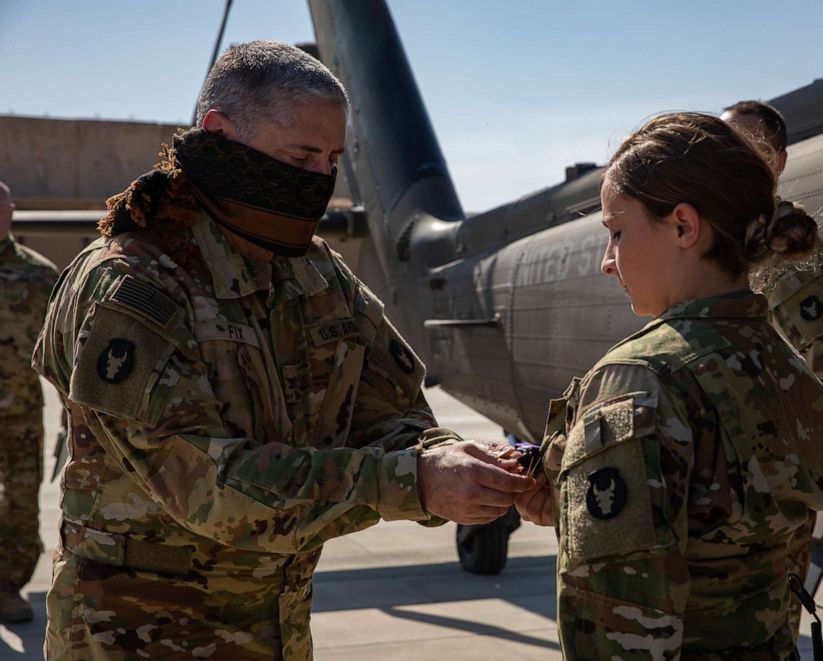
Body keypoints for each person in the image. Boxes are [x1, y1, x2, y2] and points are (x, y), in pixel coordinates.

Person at [33, 41, 533, 660]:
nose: (319, 179)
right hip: (135, 636)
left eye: (331, 160)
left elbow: (389, 413)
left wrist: (459, 464)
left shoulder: (315, 272)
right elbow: (209, 488)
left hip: (277, 627)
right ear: (220, 133)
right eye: (300, 156)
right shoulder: (134, 284)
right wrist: (413, 483)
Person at [516, 112, 823, 660]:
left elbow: (620, 626)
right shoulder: (784, 364)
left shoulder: (640, 378)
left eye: (617, 232)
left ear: (684, 227)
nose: (607, 261)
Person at [722, 100, 823, 640]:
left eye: (749, 147)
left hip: (767, 492)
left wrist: (773, 482)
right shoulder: (731, 239)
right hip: (725, 477)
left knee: (762, 634)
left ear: (778, 161)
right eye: (724, 144)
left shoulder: (785, 248)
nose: (732, 158)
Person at [0, 180, 58, 623]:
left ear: (12, 211)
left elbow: (64, 350)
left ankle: (7, 587)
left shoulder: (39, 275)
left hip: (19, 412)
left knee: (21, 501)